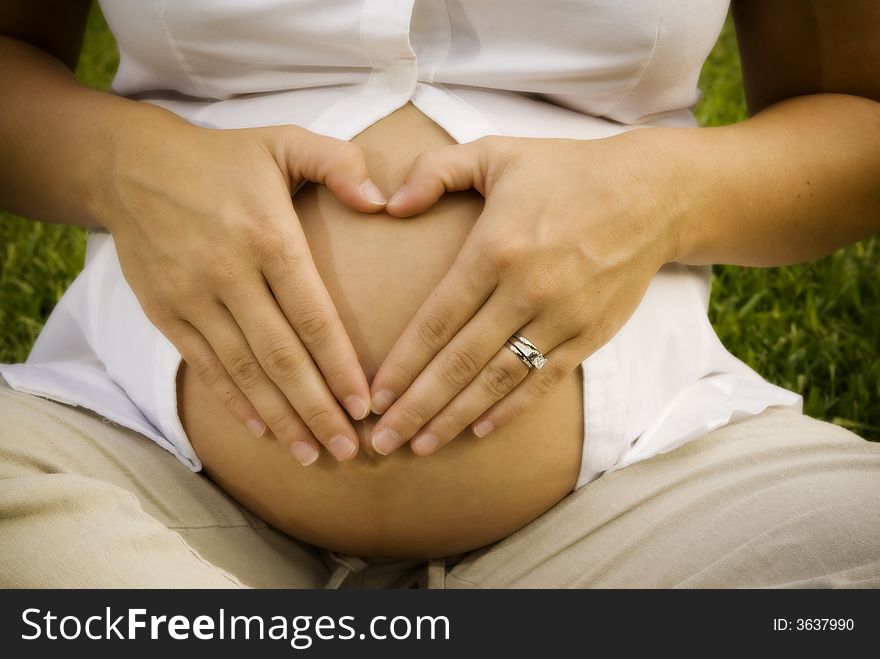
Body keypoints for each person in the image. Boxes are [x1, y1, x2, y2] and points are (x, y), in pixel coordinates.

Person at [1, 0, 878, 588]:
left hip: (648, 484)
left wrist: (663, 195)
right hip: (135, 455)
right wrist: (122, 165)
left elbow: (854, 113)